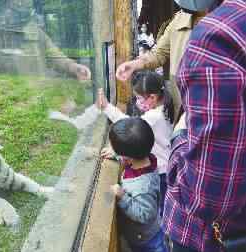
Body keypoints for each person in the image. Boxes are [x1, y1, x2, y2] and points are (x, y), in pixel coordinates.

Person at [162, 0, 246, 251]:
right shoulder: (177, 22)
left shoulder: (217, 34)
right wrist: (138, 63)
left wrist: (178, 138)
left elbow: (208, 197)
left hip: (211, 235)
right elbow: (160, 52)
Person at [116, 1, 208, 122]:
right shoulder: (179, 19)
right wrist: (134, 65)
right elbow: (159, 53)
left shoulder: (231, 18)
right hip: (182, 99)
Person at [98, 71, 174, 215]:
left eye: (139, 98)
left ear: (152, 97)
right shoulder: (164, 106)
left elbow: (130, 128)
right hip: (162, 163)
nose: (137, 101)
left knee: (157, 207)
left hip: (161, 169)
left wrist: (107, 107)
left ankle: (160, 229)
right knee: (159, 203)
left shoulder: (154, 116)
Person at [109, 117, 167, 252]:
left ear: (127, 156)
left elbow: (145, 215)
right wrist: (117, 155)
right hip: (140, 235)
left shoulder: (143, 187)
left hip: (147, 240)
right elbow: (130, 159)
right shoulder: (147, 158)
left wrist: (123, 197)